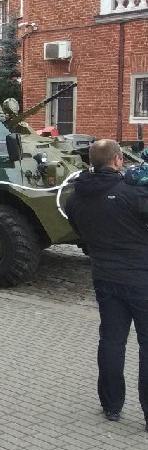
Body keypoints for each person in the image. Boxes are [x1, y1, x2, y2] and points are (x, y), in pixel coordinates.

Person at [66, 139, 148, 429]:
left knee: (112, 341)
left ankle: (111, 406)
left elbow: (79, 230)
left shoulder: (75, 197)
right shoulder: (132, 193)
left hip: (103, 276)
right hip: (140, 277)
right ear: (116, 160)